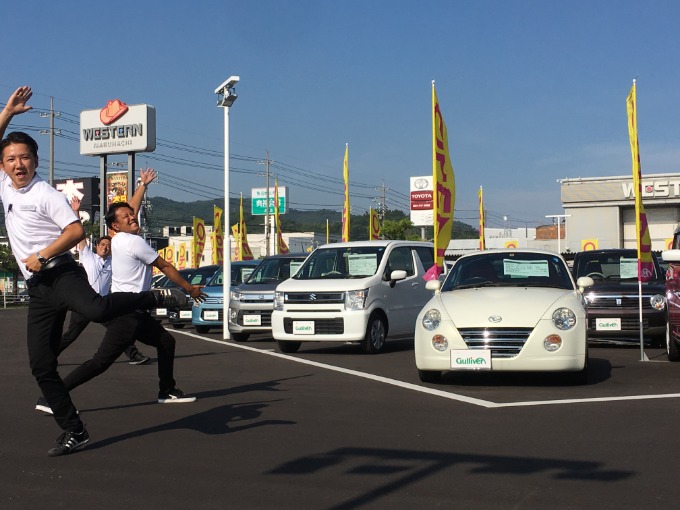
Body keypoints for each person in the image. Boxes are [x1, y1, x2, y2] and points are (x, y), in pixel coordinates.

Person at [0, 86, 185, 457]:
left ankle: (155, 296)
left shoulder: (45, 195)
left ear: (36, 161)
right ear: (3, 165)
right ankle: (75, 430)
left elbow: (76, 231)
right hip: (38, 288)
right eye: (10, 159)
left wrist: (43, 253)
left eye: (24, 158)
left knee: (98, 310)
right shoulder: (5, 186)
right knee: (41, 366)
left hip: (61, 272)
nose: (18, 165)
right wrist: (7, 113)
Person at [58, 168, 207, 410]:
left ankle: (167, 390)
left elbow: (130, 210)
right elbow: (165, 265)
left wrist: (143, 185)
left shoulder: (117, 238)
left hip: (131, 309)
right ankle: (55, 395)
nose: (131, 217)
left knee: (166, 342)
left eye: (131, 214)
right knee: (99, 363)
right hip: (127, 311)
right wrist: (189, 289)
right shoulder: (133, 241)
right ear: (116, 225)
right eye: (125, 217)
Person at [59, 197, 150, 364]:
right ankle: (50, 355)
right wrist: (75, 212)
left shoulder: (112, 261)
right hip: (84, 303)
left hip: (103, 303)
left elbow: (126, 232)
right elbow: (80, 234)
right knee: (71, 334)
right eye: (102, 245)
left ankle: (134, 355)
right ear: (97, 246)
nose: (105, 247)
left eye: (108, 246)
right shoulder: (87, 256)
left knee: (118, 328)